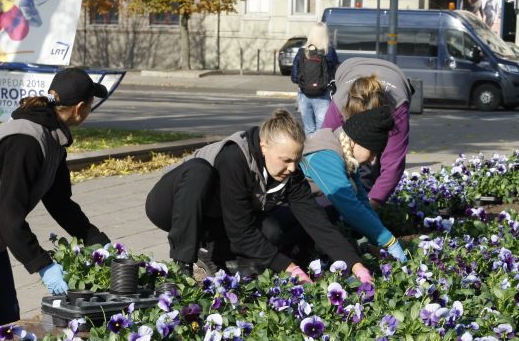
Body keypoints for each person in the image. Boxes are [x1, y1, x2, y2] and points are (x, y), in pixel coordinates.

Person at [0, 67, 111, 337]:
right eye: (91, 104)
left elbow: (60, 203)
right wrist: (43, 265)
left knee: (8, 321)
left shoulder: (52, 139)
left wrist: (99, 242)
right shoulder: (25, 142)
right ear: (80, 108)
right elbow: (10, 214)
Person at [145, 109, 372, 285]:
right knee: (199, 170)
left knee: (271, 231)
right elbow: (240, 231)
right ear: (264, 146)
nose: (293, 168)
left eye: (296, 159)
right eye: (286, 160)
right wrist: (291, 268)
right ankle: (184, 264)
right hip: (171, 207)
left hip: (214, 218)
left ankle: (216, 258)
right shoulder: (234, 158)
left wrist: (356, 265)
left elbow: (316, 222)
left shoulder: (291, 172)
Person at [301, 106, 407, 263]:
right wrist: (389, 241)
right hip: (283, 215)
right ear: (355, 141)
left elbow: (362, 201)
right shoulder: (325, 154)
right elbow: (349, 206)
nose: (372, 160)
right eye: (372, 152)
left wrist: (381, 236)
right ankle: (301, 252)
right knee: (331, 203)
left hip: (305, 214)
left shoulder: (347, 156)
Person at [322, 59, 412, 210]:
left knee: (370, 167)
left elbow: (393, 165)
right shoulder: (340, 105)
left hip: (395, 76)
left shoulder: (396, 110)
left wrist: (372, 205)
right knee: (349, 158)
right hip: (349, 69)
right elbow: (324, 150)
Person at [291, 22, 339, 135]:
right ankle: (319, 151)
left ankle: (309, 152)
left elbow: (294, 77)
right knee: (322, 130)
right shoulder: (329, 52)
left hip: (304, 94)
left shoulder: (302, 52)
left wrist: (305, 81)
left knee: (309, 130)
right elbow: (334, 75)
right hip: (323, 95)